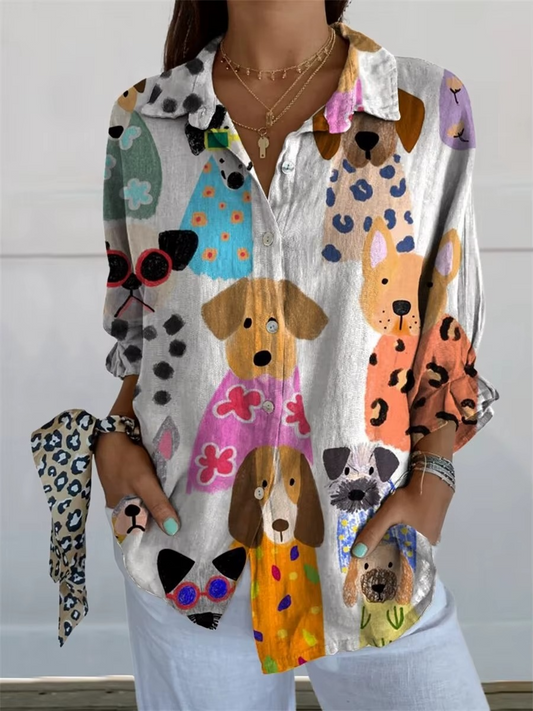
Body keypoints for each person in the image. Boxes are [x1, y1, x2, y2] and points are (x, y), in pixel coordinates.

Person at [33, 0, 500, 708]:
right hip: (191, 557)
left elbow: (447, 325)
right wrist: (116, 438)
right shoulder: (145, 119)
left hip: (369, 557)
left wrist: (433, 480)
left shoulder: (425, 106)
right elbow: (142, 333)